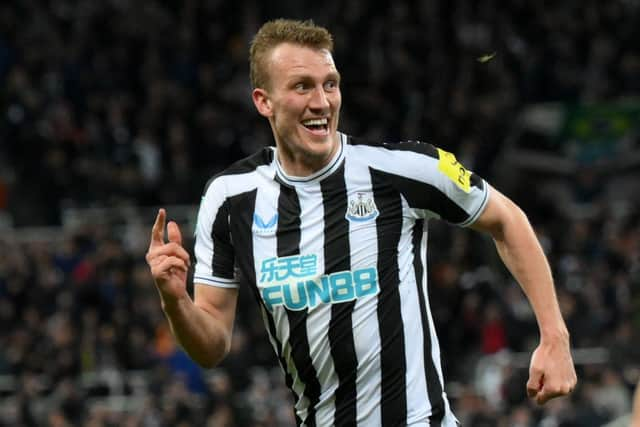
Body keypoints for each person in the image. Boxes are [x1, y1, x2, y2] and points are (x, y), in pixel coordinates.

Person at [145, 19, 577, 426]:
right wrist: (175, 302)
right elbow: (213, 345)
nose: (321, 102)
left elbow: (507, 219)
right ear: (264, 101)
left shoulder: (403, 170)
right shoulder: (230, 198)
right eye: (302, 87)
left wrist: (554, 336)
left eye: (329, 85)